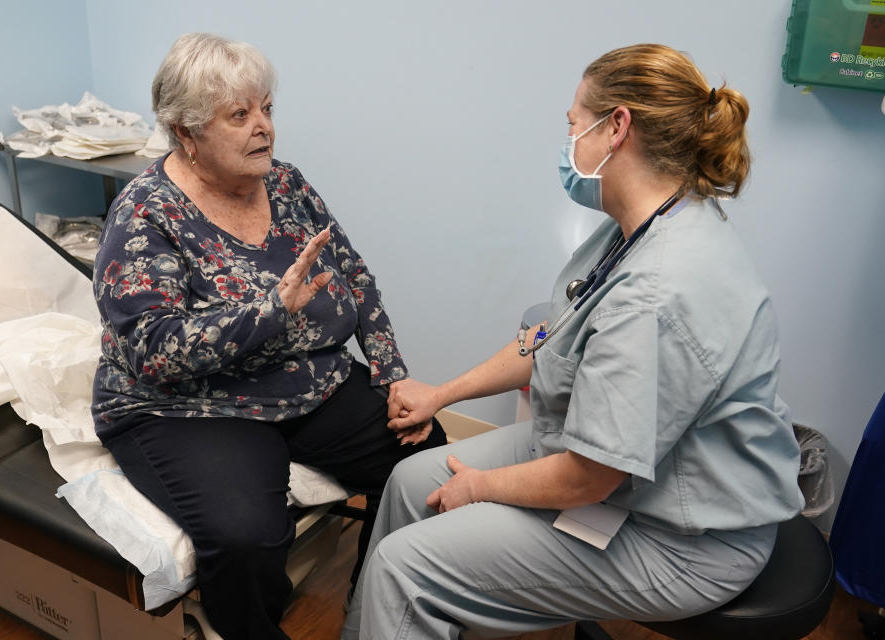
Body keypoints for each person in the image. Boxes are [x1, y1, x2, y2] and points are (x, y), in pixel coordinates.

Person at [342, 43, 805, 639]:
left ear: (616, 128)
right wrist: (442, 395)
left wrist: (480, 489)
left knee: (406, 567)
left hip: (685, 539)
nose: (568, 144)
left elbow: (589, 479)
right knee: (410, 485)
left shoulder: (658, 292)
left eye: (572, 125)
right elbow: (548, 337)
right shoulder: (642, 226)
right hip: (620, 472)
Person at [90, 33, 445, 639]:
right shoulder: (145, 212)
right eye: (239, 115)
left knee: (424, 454)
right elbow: (152, 347)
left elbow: (353, 274)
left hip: (306, 381)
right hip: (192, 406)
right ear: (187, 134)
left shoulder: (285, 184)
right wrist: (270, 311)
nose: (264, 128)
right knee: (247, 538)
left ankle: (376, 610)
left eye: (267, 109)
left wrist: (390, 372)